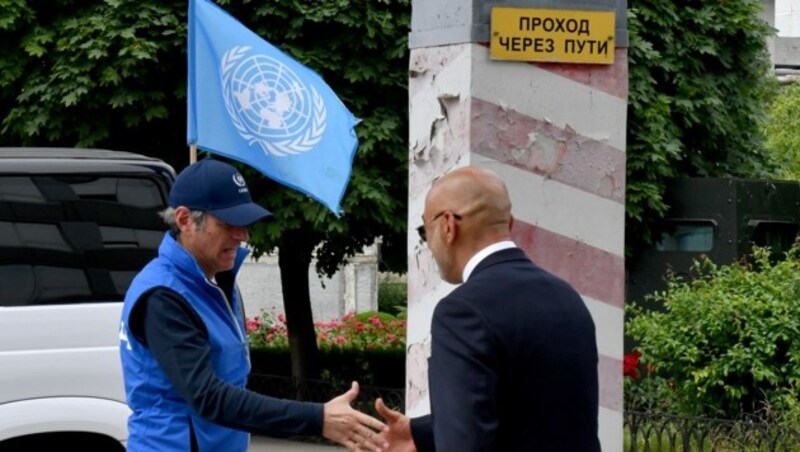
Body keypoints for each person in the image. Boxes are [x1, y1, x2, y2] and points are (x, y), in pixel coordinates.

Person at [118, 158, 387, 451]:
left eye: (244, 223)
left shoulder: (211, 281)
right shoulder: (164, 295)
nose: (243, 234)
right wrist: (318, 418)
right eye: (228, 223)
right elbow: (209, 397)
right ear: (184, 220)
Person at [371, 166, 600, 451]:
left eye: (423, 231)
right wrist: (420, 433)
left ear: (448, 226)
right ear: (510, 223)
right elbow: (540, 413)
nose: (428, 245)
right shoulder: (567, 298)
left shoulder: (462, 311)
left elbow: (464, 443)